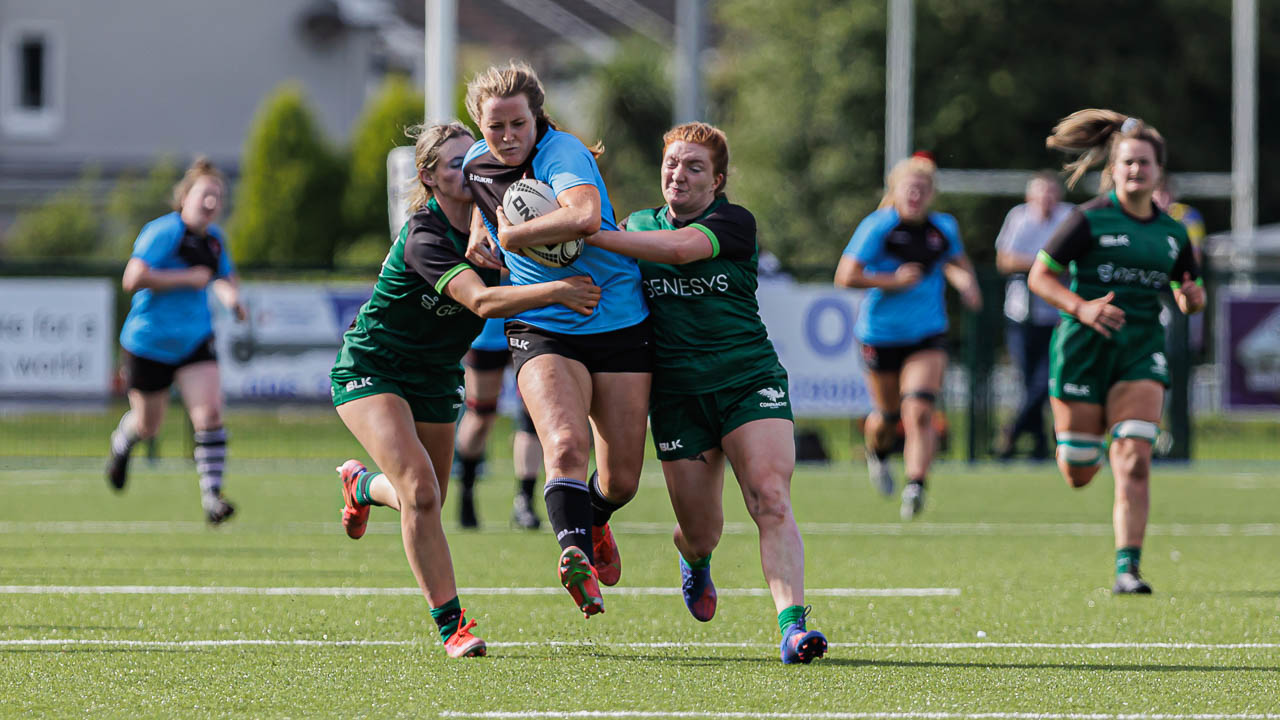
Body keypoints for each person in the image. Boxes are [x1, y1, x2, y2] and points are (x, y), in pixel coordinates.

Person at [329, 122, 601, 657]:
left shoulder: (500, 220)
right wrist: (560, 291)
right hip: (373, 368)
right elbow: (480, 302)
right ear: (428, 177)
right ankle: (453, 626)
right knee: (423, 494)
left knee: (424, 497)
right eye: (453, 164)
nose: (466, 170)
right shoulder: (425, 235)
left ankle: (361, 488)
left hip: (435, 376)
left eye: (471, 161)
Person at [588, 121, 828, 664]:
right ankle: (694, 560)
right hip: (678, 399)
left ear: (717, 181)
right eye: (672, 163)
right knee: (701, 533)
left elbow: (676, 251)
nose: (679, 173)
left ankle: (792, 628)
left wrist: (590, 231)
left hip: (748, 380)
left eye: (695, 167)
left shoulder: (734, 222)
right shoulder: (637, 226)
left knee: (769, 496)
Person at [462, 62, 651, 619]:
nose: (506, 138)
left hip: (615, 317)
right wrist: (479, 231)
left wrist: (512, 233)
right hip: (543, 326)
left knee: (621, 480)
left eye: (517, 125)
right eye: (494, 127)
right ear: (480, 123)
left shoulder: (563, 153)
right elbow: (476, 198)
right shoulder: (477, 161)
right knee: (565, 446)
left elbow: (586, 215)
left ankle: (595, 520)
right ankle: (574, 556)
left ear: (536, 118)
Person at [1029, 110, 1204, 595]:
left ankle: (1128, 568)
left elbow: (1191, 290)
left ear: (1158, 172)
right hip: (1084, 351)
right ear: (1113, 169)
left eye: (1144, 163)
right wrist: (1081, 308)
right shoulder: (1088, 220)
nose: (1135, 171)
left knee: (1134, 459)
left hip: (1140, 352)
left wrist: (1193, 298)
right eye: (1127, 163)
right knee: (1079, 473)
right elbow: (1039, 277)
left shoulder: (1173, 233)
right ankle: (1096, 438)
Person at [834, 152, 983, 520]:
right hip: (881, 334)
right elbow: (846, 276)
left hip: (927, 332)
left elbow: (956, 262)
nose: (915, 195)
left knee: (918, 409)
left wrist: (966, 284)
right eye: (909, 189)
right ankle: (878, 454)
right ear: (895, 191)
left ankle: (916, 485)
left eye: (922, 189)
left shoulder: (943, 227)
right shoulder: (878, 226)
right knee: (887, 415)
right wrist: (892, 281)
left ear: (931, 194)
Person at [108, 156, 246, 524]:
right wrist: (187, 279)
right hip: (149, 342)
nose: (212, 202)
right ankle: (122, 443)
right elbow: (132, 278)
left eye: (218, 196)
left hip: (194, 340)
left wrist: (232, 299)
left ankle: (213, 497)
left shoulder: (216, 240)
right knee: (148, 425)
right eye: (205, 194)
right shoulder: (164, 232)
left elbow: (222, 276)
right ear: (184, 197)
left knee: (210, 413)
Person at [994, 172, 1074, 460]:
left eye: (1051, 193)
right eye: (1041, 193)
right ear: (1030, 197)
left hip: (1058, 315)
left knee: (1046, 379)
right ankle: (1039, 444)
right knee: (1029, 381)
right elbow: (1005, 259)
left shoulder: (1070, 217)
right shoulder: (1019, 218)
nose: (1046, 199)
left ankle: (1012, 433)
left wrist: (1042, 268)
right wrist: (1044, 266)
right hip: (1021, 315)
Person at [454, 315, 544, 530]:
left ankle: (525, 502)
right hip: (489, 330)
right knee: (480, 417)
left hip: (532, 325)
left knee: (531, 414)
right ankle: (466, 492)